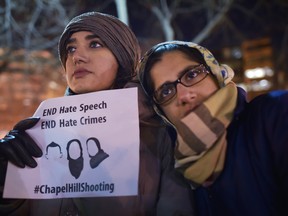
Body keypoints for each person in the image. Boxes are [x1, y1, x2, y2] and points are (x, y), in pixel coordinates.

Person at [0, 13, 195, 215]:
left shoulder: (161, 132)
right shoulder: (39, 133)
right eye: (70, 49)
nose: (77, 57)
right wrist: (6, 181)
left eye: (94, 44)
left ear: (122, 57)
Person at [138, 40, 288, 216]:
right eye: (166, 91)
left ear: (215, 74)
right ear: (161, 111)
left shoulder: (275, 115)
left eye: (192, 75)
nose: (185, 95)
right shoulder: (174, 164)